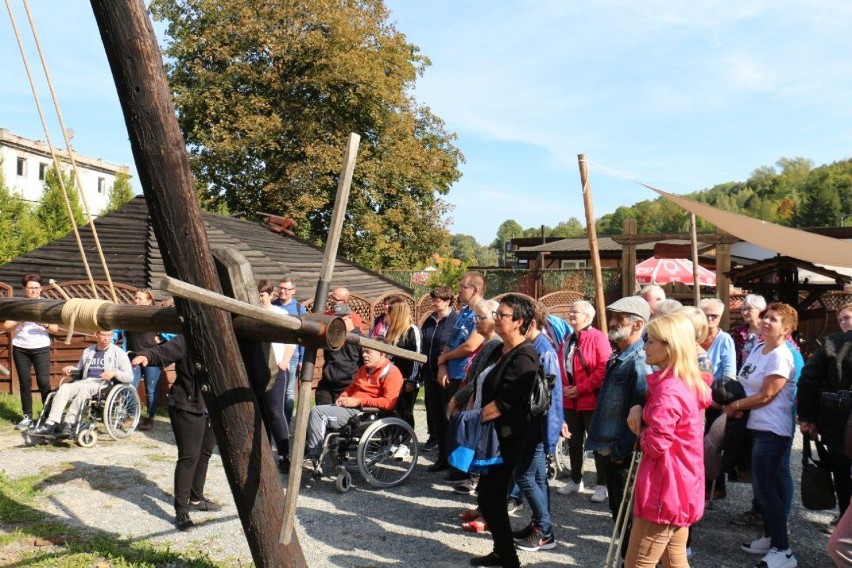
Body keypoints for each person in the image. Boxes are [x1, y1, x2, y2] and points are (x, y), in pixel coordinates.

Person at [624, 313, 711, 567]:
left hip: (664, 488)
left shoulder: (669, 390)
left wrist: (639, 425)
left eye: (651, 341)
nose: (645, 346)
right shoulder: (686, 382)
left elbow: (655, 443)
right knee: (675, 559)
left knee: (638, 563)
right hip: (680, 485)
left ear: (669, 346)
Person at [724, 302, 799, 568]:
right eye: (766, 317)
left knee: (766, 490)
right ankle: (770, 537)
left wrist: (735, 406)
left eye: (774, 319)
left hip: (771, 429)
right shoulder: (758, 348)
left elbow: (767, 395)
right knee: (763, 487)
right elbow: (746, 384)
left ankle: (783, 550)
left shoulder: (781, 354)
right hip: (753, 427)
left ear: (786, 329)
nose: (766, 321)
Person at [468, 294, 538, 568]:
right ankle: (502, 552)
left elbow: (504, 403)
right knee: (487, 495)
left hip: (507, 437)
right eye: (496, 314)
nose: (497, 318)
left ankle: (508, 557)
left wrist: (470, 420)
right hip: (490, 434)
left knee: (492, 497)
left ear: (520, 322)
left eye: (503, 315)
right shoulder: (500, 349)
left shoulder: (525, 355)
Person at [585, 296, 651, 561]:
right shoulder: (620, 356)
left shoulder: (639, 360)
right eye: (612, 317)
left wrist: (618, 451)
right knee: (620, 516)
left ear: (637, 324)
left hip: (623, 454)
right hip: (613, 450)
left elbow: (643, 413)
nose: (611, 322)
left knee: (629, 520)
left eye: (618, 318)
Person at [132, 335, 221, 531]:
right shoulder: (188, 339)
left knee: (205, 453)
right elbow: (163, 351)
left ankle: (196, 500)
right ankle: (182, 511)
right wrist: (147, 355)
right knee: (189, 457)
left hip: (213, 407)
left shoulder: (227, 342)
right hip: (187, 405)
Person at [511, 302, 564, 553]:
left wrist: (550, 437)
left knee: (523, 475)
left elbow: (552, 397)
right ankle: (538, 525)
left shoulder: (544, 351)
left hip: (536, 428)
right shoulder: (534, 347)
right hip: (532, 426)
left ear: (531, 323)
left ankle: (544, 531)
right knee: (537, 477)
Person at [798, 301, 852, 528]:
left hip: (839, 423)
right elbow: (809, 380)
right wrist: (808, 417)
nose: (844, 322)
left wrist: (807, 417)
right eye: (841, 318)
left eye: (848, 317)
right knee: (840, 472)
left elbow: (808, 379)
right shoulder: (832, 343)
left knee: (842, 472)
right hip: (838, 424)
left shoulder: (833, 342)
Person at [557, 300, 613, 502]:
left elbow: (603, 368)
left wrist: (581, 389)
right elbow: (561, 366)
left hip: (590, 401)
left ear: (588, 317)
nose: (571, 314)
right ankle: (575, 479)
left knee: (596, 443)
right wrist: (564, 389)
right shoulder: (567, 339)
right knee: (573, 441)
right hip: (570, 401)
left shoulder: (598, 338)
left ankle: (602, 484)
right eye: (570, 311)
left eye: (576, 312)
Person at [305, 347, 403, 463]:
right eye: (363, 352)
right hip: (352, 408)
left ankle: (313, 457)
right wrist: (343, 396)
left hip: (365, 413)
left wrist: (358, 401)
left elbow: (388, 403)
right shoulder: (364, 369)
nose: (364, 355)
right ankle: (315, 452)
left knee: (318, 413)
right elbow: (351, 388)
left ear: (381, 354)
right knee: (316, 412)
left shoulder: (392, 372)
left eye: (368, 352)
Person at [30, 330, 132, 437]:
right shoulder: (88, 351)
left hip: (105, 384)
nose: (106, 338)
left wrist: (114, 373)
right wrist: (71, 369)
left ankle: (69, 423)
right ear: (96, 334)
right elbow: (80, 369)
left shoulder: (118, 352)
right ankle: (50, 423)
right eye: (103, 335)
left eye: (109, 335)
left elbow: (129, 376)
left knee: (85, 389)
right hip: (85, 381)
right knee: (65, 387)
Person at [432, 272, 486, 476]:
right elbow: (450, 341)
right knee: (447, 417)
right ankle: (447, 460)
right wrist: (442, 365)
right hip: (450, 373)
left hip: (466, 374)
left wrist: (445, 359)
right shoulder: (463, 312)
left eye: (463, 287)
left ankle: (463, 468)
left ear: (475, 290)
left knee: (462, 420)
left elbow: (471, 345)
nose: (459, 290)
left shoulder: (481, 312)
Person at [448, 299, 502, 498]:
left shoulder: (495, 344)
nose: (476, 322)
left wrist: (457, 398)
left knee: (479, 441)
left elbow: (480, 378)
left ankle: (475, 480)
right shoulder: (488, 342)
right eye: (475, 317)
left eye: (481, 317)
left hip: (480, 400)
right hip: (473, 396)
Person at [5, 274, 59, 430]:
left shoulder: (47, 304)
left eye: (36, 288)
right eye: (30, 288)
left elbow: (55, 329)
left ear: (41, 288)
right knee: (25, 382)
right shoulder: (17, 304)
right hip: (21, 347)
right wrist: (20, 319)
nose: (34, 290)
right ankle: (27, 417)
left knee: (43, 381)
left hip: (41, 347)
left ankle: (48, 416)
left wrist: (44, 323)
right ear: (24, 289)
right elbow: (7, 327)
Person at [700, 297, 737, 500]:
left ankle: (715, 486)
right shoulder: (694, 337)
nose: (709, 318)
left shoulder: (725, 340)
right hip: (695, 397)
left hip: (715, 399)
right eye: (706, 314)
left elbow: (730, 374)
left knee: (712, 446)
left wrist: (718, 399)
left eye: (714, 315)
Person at [258, 279, 295, 473]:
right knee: (261, 411)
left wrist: (284, 361)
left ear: (270, 295)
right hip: (258, 368)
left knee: (275, 412)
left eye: (263, 294)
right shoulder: (252, 313)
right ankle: (263, 454)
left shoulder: (280, 314)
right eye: (257, 294)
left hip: (277, 367)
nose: (260, 298)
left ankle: (283, 455)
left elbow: (291, 341)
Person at [118, 289, 165, 431]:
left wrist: (162, 338)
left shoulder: (156, 316)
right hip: (133, 357)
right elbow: (118, 329)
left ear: (149, 300)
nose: (136, 301)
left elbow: (170, 332)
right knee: (130, 387)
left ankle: (149, 417)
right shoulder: (130, 315)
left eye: (139, 298)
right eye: (135, 298)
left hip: (153, 358)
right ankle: (131, 416)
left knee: (151, 390)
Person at [420, 285, 458, 453]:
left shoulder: (454, 321)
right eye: (433, 300)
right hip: (429, 373)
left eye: (437, 300)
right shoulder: (429, 320)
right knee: (433, 410)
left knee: (446, 412)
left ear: (448, 301)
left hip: (446, 374)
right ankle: (437, 443)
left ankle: (450, 449)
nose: (434, 303)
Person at [381, 296, 422, 428]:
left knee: (405, 411)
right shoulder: (392, 330)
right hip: (392, 378)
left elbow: (418, 356)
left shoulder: (412, 330)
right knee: (392, 410)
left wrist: (411, 380)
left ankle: (405, 440)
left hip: (407, 379)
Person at [271, 276, 307, 423]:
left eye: (286, 289)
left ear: (293, 291)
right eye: (281, 288)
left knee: (289, 392)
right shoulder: (273, 306)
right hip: (274, 352)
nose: (283, 291)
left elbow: (304, 336)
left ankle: (285, 421)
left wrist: (302, 360)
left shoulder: (299, 308)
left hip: (292, 354)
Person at [315, 303, 363, 405]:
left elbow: (363, 365)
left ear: (350, 316)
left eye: (342, 318)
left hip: (347, 387)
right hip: (327, 385)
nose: (339, 322)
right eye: (336, 318)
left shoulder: (361, 339)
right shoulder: (332, 336)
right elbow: (327, 357)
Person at [733, 294, 768, 371]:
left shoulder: (770, 331)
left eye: (749, 309)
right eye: (743, 309)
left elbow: (793, 349)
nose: (744, 313)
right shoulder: (739, 333)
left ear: (761, 310)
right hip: (743, 378)